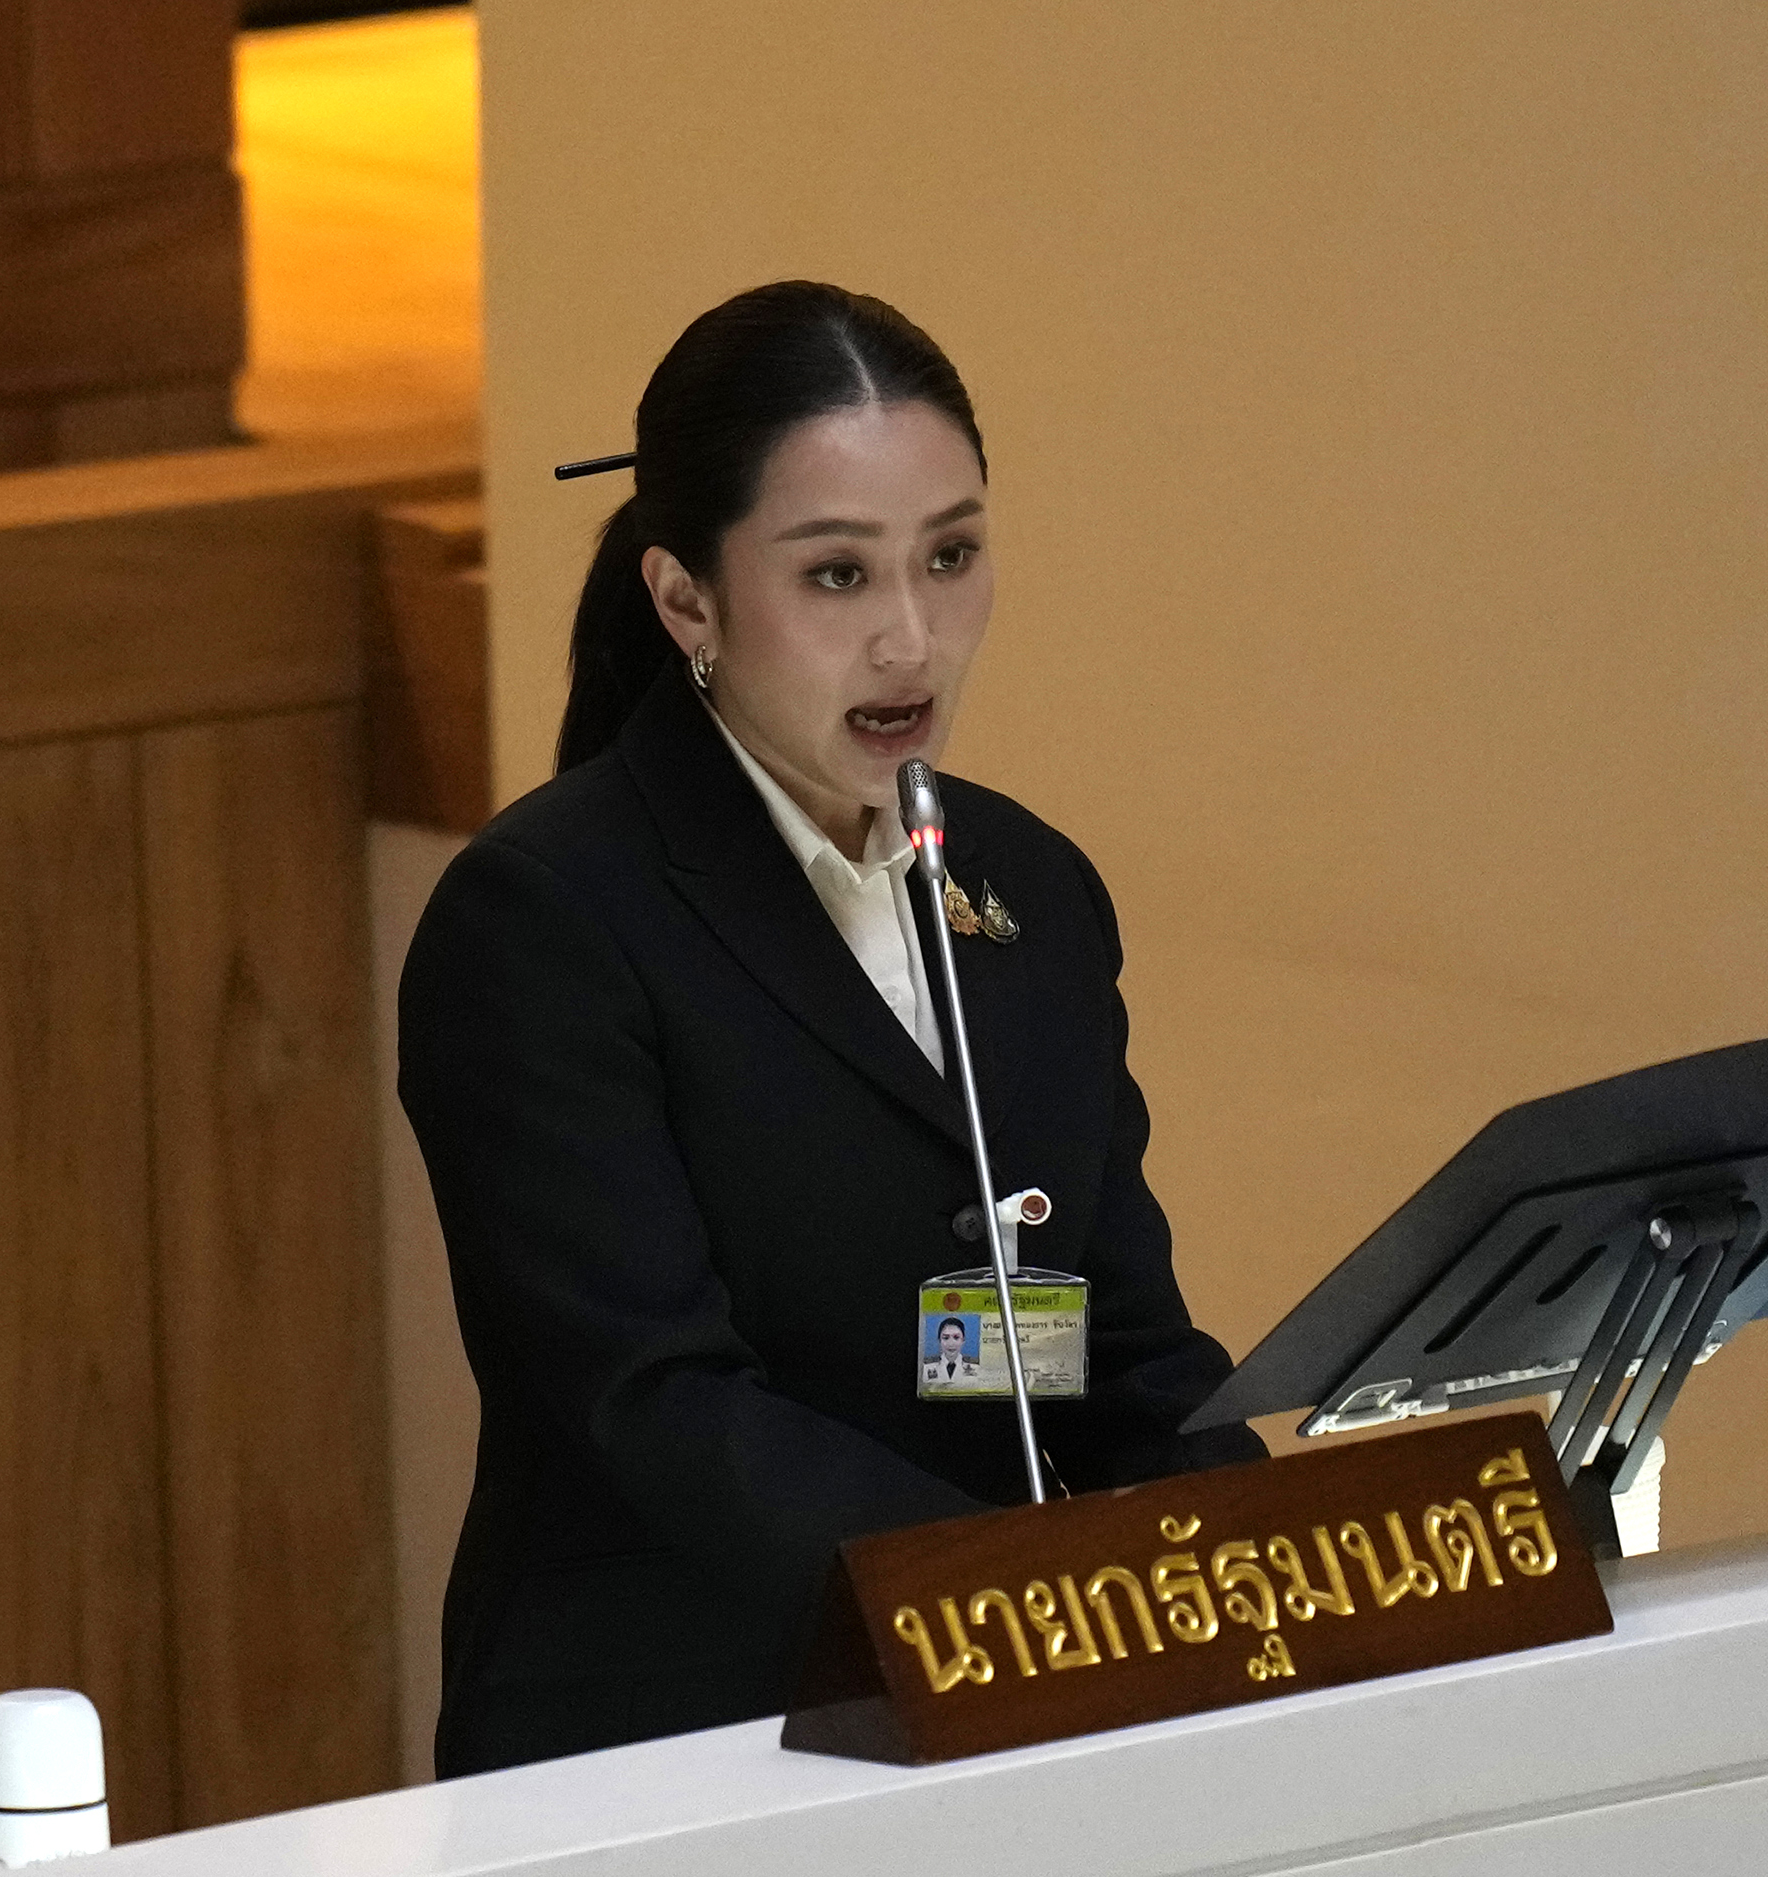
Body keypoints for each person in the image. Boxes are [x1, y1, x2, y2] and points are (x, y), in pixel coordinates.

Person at [399, 281, 1263, 1774]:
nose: (911, 640)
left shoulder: (1030, 890)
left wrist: (1269, 1566)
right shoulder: (543, 921)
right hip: (684, 1743)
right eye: (839, 576)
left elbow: (1110, 1343)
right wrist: (1032, 1599)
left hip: (1011, 1723)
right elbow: (657, 1402)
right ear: (686, 601)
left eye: (951, 555)